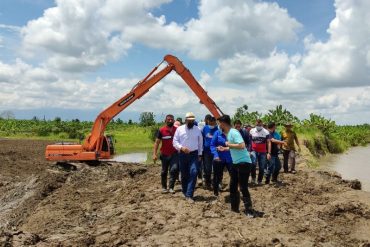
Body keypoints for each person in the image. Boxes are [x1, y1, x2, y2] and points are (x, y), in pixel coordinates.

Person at [218, 115, 254, 217]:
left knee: (243, 187)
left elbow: (242, 145)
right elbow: (235, 147)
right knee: (233, 186)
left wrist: (228, 144)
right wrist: (225, 148)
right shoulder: (229, 133)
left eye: (219, 123)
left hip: (244, 163)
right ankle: (234, 208)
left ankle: (249, 210)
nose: (219, 125)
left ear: (223, 123)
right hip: (236, 163)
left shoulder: (233, 132)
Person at [173, 112, 203, 203]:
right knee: (184, 174)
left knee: (194, 172)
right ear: (185, 120)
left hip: (194, 154)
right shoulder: (179, 129)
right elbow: (175, 142)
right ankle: (185, 191)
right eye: (189, 120)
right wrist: (181, 147)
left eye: (192, 120)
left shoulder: (197, 129)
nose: (191, 122)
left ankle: (189, 195)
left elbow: (200, 142)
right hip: (183, 154)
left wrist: (200, 154)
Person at [153, 114, 178, 194]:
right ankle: (164, 187)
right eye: (168, 119)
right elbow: (157, 143)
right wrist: (154, 154)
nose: (170, 121)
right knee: (164, 171)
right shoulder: (161, 130)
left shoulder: (177, 130)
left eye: (171, 119)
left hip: (174, 154)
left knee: (174, 170)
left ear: (174, 121)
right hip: (164, 154)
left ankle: (171, 187)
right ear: (165, 120)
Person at [210, 125, 232, 196]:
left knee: (233, 175)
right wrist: (216, 155)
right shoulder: (217, 133)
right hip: (219, 158)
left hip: (230, 158)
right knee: (217, 176)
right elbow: (212, 145)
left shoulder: (232, 134)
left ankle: (233, 190)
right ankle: (215, 192)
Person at [249, 119, 271, 184]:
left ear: (262, 124)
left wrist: (269, 153)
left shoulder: (266, 132)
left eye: (260, 125)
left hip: (263, 152)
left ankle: (259, 180)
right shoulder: (252, 131)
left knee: (261, 166)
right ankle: (253, 178)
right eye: (257, 125)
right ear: (255, 124)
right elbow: (250, 142)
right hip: (254, 150)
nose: (259, 126)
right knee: (253, 164)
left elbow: (269, 142)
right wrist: (249, 151)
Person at [202, 116, 218, 189]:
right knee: (207, 168)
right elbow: (201, 138)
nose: (211, 125)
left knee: (216, 168)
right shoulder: (205, 128)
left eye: (213, 123)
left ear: (215, 122)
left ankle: (216, 183)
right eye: (210, 123)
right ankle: (207, 182)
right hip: (206, 152)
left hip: (215, 152)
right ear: (208, 122)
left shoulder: (218, 129)